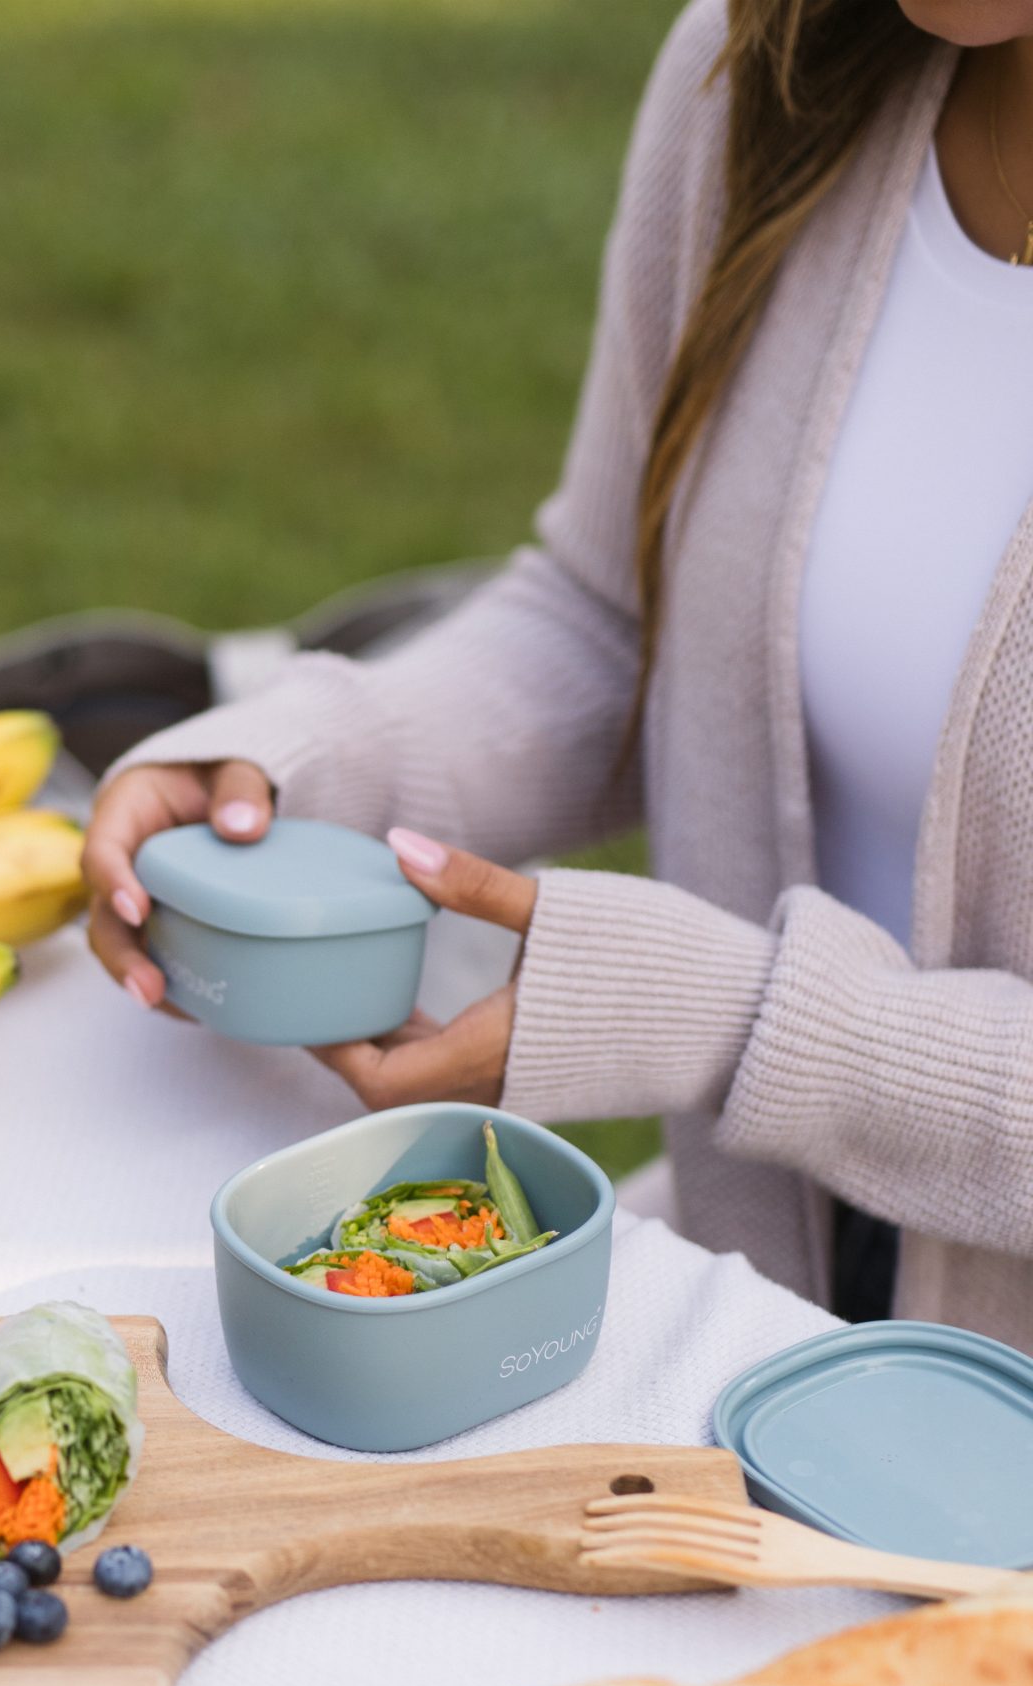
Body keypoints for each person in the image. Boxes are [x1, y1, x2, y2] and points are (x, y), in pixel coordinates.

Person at [83, 0, 1033, 1350]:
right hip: (762, 1321)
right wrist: (299, 765)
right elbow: (619, 620)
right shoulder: (773, 60)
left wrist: (722, 1021)